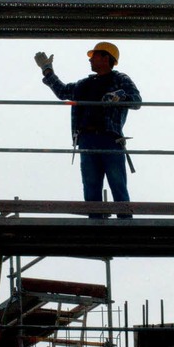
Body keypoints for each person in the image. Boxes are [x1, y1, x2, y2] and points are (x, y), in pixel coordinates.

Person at [34, 42, 142, 218]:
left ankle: (125, 223)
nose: (90, 60)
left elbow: (136, 101)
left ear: (106, 58)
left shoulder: (119, 79)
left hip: (110, 139)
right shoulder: (84, 84)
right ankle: (96, 224)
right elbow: (62, 92)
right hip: (87, 139)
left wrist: (119, 96)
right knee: (91, 185)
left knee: (117, 183)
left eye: (94, 56)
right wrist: (47, 70)